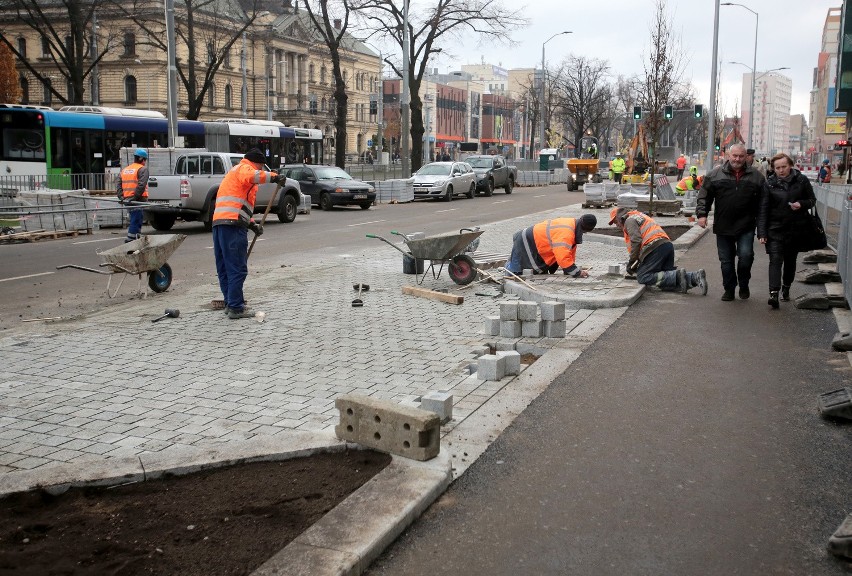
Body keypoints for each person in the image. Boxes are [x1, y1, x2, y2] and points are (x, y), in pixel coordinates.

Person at [212, 148, 278, 320]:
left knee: (225, 268)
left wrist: (252, 224)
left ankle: (230, 302)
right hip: (232, 226)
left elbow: (238, 204)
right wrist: (274, 177)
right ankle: (235, 307)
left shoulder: (234, 173)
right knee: (237, 268)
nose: (261, 171)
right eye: (262, 168)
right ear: (258, 164)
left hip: (220, 223)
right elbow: (253, 176)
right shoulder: (245, 169)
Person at [696, 143, 765, 301]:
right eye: (735, 156)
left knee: (746, 256)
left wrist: (762, 226)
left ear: (746, 157)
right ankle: (729, 288)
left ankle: (744, 284)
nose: (738, 159)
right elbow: (704, 195)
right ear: (728, 155)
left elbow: (763, 203)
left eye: (741, 156)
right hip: (723, 225)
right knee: (726, 261)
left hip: (746, 225)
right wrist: (702, 214)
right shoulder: (715, 175)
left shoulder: (756, 177)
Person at [757, 153, 816, 309]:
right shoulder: (769, 184)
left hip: (796, 228)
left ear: (790, 165)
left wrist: (801, 204)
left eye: (784, 167)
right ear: (773, 168)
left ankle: (786, 287)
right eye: (777, 168)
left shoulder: (801, 180)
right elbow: (763, 209)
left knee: (790, 261)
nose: (781, 170)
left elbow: (812, 200)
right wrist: (762, 232)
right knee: (775, 260)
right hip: (775, 228)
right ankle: (773, 293)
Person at [609, 207, 707, 294]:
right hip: (666, 246)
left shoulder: (629, 221)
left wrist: (632, 262)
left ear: (620, 218)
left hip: (655, 248)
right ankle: (695, 277)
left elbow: (636, 241)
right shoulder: (638, 216)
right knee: (667, 282)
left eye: (615, 222)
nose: (616, 225)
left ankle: (677, 275)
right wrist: (637, 262)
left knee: (643, 276)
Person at [505, 214, 598, 278]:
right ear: (587, 229)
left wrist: (570, 270)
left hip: (536, 242)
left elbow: (569, 252)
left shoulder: (574, 226)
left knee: (536, 271)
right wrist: (577, 273)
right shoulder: (567, 233)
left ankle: (512, 261)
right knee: (516, 272)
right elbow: (562, 256)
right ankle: (509, 264)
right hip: (526, 241)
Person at [118, 148, 149, 243]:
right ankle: (131, 240)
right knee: (136, 219)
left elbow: (118, 184)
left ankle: (135, 238)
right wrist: (135, 197)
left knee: (135, 218)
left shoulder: (125, 170)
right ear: (142, 159)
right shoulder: (142, 169)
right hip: (137, 199)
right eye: (145, 160)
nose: (145, 162)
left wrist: (121, 197)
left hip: (127, 199)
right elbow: (141, 185)